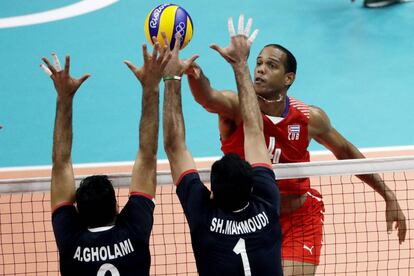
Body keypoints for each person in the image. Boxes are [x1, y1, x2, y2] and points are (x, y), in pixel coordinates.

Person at [185, 15, 407, 276]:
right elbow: (207, 97)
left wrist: (388, 195)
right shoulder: (236, 107)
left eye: (271, 65)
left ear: (288, 78)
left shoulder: (309, 118)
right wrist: (193, 74)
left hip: (299, 217)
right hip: (246, 218)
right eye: (258, 63)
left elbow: (346, 153)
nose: (260, 69)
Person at [162, 22, 283, 276]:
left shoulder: (203, 218)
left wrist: (172, 77)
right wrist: (240, 65)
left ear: (212, 194)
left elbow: (174, 147)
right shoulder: (267, 204)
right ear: (252, 187)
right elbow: (254, 128)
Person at [42, 43, 170, 275]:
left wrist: (64, 98)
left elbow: (61, 164)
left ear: (78, 213)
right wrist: (151, 87)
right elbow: (147, 156)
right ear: (117, 207)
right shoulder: (134, 230)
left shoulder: (70, 239)